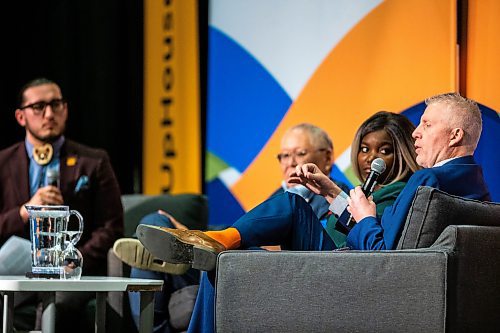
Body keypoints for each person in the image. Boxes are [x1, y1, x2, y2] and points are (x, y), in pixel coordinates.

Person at [137, 111, 421, 332]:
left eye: (384, 151)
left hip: (341, 268)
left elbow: (375, 245)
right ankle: (211, 243)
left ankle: (215, 243)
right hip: (328, 261)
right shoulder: (364, 193)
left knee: (290, 205)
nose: (372, 159)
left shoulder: (401, 191)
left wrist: (334, 196)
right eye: (365, 149)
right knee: (225, 259)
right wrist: (336, 195)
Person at [113, 123, 349, 333]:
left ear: (327, 158)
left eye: (300, 154)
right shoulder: (277, 197)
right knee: (156, 221)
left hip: (276, 270)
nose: (290, 163)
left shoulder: (339, 200)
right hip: (238, 260)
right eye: (284, 156)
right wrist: (187, 231)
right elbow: (240, 230)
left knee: (217, 257)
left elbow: (329, 251)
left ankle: (204, 247)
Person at [0, 78, 124, 332]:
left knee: (57, 303)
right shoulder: (3, 163)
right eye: (38, 107)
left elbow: (112, 227)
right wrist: (24, 211)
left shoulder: (93, 161)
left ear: (65, 109)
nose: (49, 114)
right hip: (15, 268)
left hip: (71, 270)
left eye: (56, 104)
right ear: (21, 117)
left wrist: (77, 257)